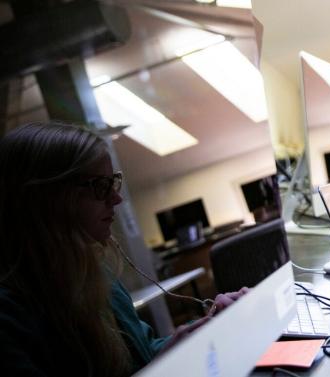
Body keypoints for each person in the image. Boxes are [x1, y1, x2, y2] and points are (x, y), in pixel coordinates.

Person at [0, 122, 245, 376]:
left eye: (112, 182)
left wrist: (211, 324)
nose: (117, 198)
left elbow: (141, 356)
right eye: (100, 186)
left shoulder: (98, 277)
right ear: (44, 200)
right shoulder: (11, 318)